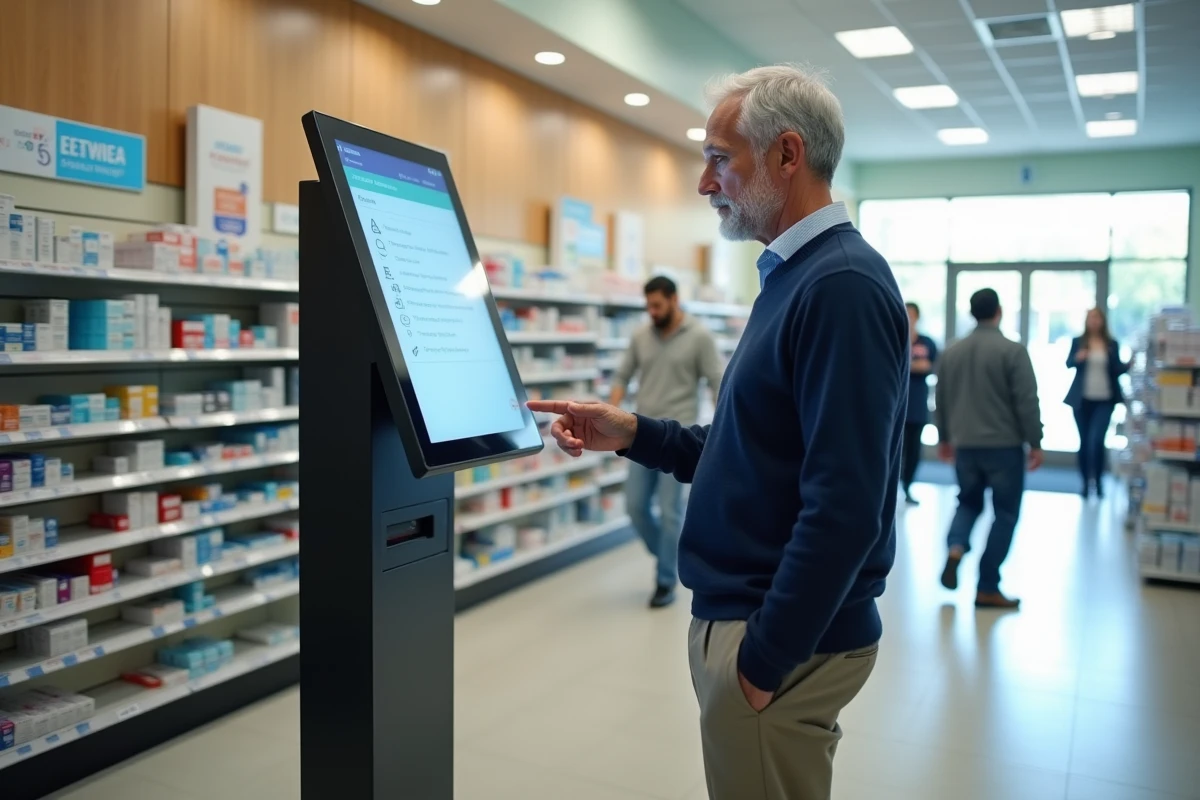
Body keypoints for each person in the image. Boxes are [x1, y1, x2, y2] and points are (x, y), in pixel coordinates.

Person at [529, 64, 908, 800]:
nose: (705, 184)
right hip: (753, 623)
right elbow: (749, 451)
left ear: (788, 155)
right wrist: (634, 432)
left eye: (719, 158)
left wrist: (764, 664)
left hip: (780, 641)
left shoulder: (840, 288)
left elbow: (848, 505)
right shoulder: (792, 279)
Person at [610, 275, 723, 608]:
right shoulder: (640, 336)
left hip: (678, 436)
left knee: (672, 513)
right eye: (648, 305)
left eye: (657, 305)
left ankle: (664, 581)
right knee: (634, 506)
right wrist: (609, 411)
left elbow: (716, 380)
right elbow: (622, 376)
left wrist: (725, 427)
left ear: (674, 300)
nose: (652, 311)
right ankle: (668, 557)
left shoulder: (699, 336)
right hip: (641, 433)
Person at [935, 288, 1043, 610]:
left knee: (967, 502)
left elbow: (940, 398)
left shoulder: (952, 352)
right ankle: (987, 586)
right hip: (1003, 446)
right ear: (999, 311)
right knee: (1005, 514)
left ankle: (956, 547)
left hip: (965, 444)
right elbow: (1026, 401)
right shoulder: (1012, 351)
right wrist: (1035, 441)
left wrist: (943, 437)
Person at [1065, 308, 1129, 499]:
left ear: (1102, 321)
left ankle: (1099, 481)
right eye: (1091, 318)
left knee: (1096, 441)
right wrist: (1078, 358)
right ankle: (1085, 483)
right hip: (1082, 400)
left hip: (1104, 400)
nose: (1094, 322)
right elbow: (1069, 363)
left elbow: (1117, 368)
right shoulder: (1079, 342)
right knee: (1084, 443)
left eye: (1097, 318)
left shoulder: (1111, 344)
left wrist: (1129, 364)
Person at [901, 302, 938, 506]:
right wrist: (914, 365)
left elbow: (928, 366)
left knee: (914, 450)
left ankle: (908, 487)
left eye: (912, 314)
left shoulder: (927, 342)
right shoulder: (895, 337)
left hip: (916, 406)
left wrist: (907, 365)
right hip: (897, 406)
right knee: (895, 451)